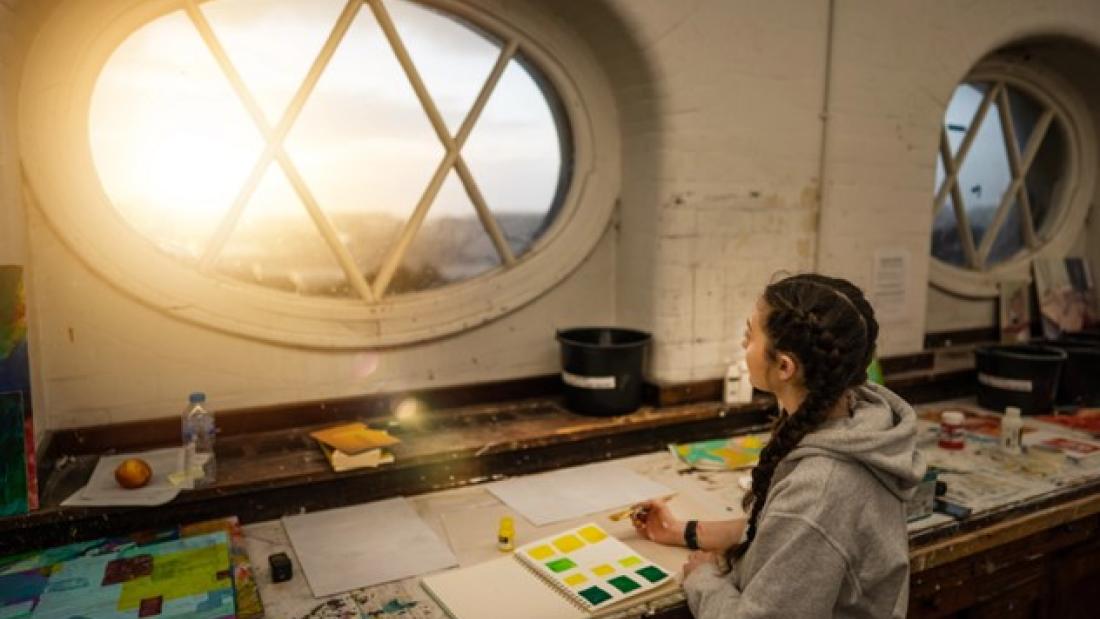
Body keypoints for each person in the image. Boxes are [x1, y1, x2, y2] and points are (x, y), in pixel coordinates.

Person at [633, 273, 926, 618]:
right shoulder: (855, 421)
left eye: (749, 337)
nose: (744, 347)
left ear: (784, 366)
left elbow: (798, 526)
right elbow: (778, 530)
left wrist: (703, 580)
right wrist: (683, 531)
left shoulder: (821, 489)